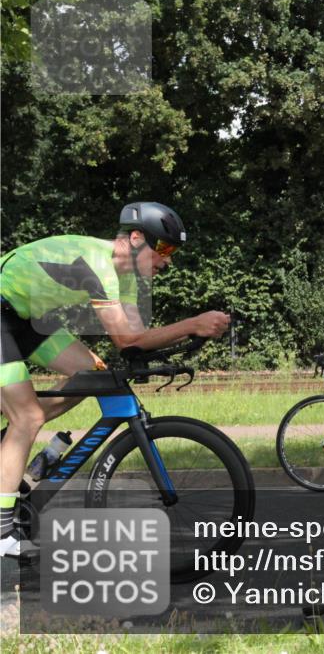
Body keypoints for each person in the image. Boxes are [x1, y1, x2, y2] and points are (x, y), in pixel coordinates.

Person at [0, 202, 231, 557]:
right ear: (136, 239)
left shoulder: (126, 280)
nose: (168, 260)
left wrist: (181, 343)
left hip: (28, 320)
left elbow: (135, 342)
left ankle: (11, 447)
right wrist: (192, 324)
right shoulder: (98, 264)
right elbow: (128, 340)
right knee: (27, 417)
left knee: (93, 375)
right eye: (164, 249)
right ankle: (2, 535)